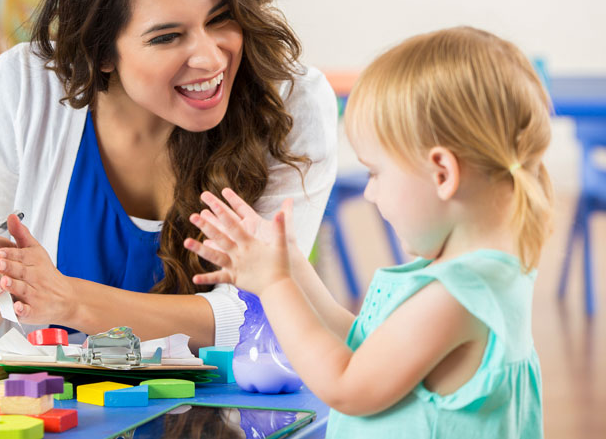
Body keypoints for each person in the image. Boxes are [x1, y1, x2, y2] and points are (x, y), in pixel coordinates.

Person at [0, 0, 338, 350]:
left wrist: (71, 300)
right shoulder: (19, 91)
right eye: (167, 37)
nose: (211, 57)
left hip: (225, 414)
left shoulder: (287, 103)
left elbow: (267, 316)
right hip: (58, 412)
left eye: (220, 19)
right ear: (100, 52)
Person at [185, 26, 551, 436]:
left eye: (376, 172)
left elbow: (346, 383)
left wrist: (274, 286)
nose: (371, 194)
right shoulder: (482, 278)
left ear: (442, 173)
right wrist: (293, 266)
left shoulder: (457, 297)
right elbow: (360, 345)